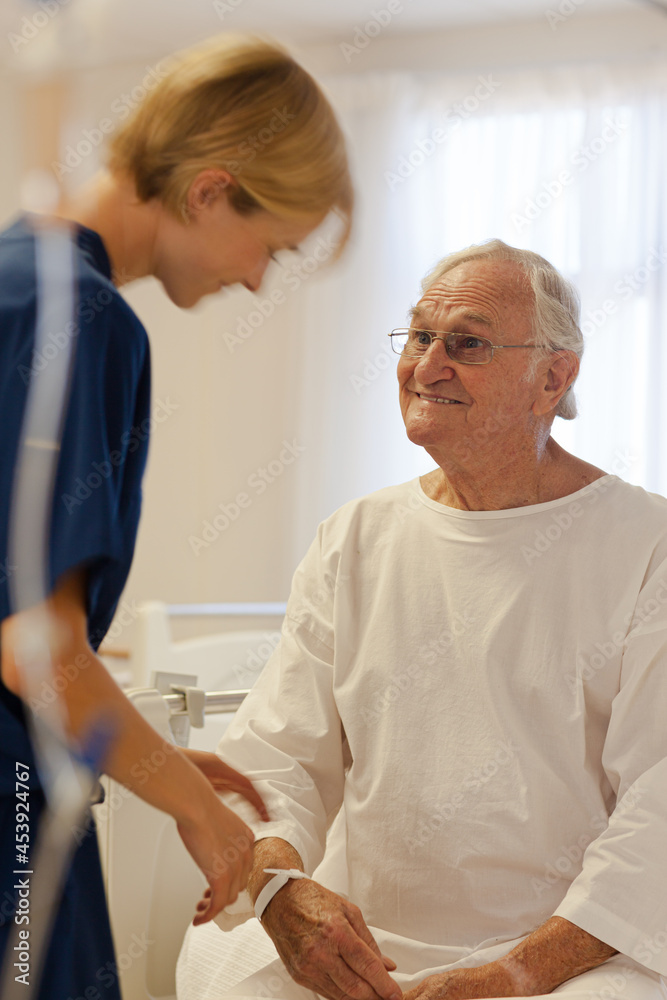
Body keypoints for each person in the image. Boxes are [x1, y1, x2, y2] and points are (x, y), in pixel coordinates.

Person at [177, 240, 667, 1000]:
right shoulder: (356, 535)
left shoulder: (647, 545)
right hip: (364, 938)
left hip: (576, 953)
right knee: (215, 961)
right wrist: (282, 895)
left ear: (553, 378)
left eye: (465, 343)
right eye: (417, 337)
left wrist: (514, 973)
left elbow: (657, 806)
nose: (425, 365)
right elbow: (276, 759)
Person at [0, 33, 352, 1000]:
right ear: (209, 190)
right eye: (271, 246)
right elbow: (36, 650)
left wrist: (145, 753)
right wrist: (199, 810)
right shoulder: (85, 322)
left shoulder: (15, 283)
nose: (254, 280)